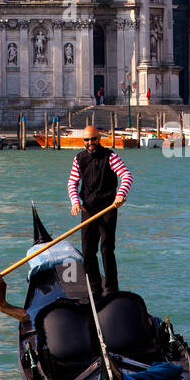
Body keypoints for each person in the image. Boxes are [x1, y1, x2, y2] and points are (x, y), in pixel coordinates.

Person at [68, 125, 132, 298]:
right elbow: (72, 183)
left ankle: (111, 287)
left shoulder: (111, 156)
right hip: (87, 208)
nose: (90, 143)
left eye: (93, 139)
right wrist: (75, 202)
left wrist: (120, 195)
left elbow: (126, 175)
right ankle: (95, 287)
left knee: (106, 248)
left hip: (108, 208)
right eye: (87, 140)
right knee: (88, 250)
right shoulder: (79, 158)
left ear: (99, 139)